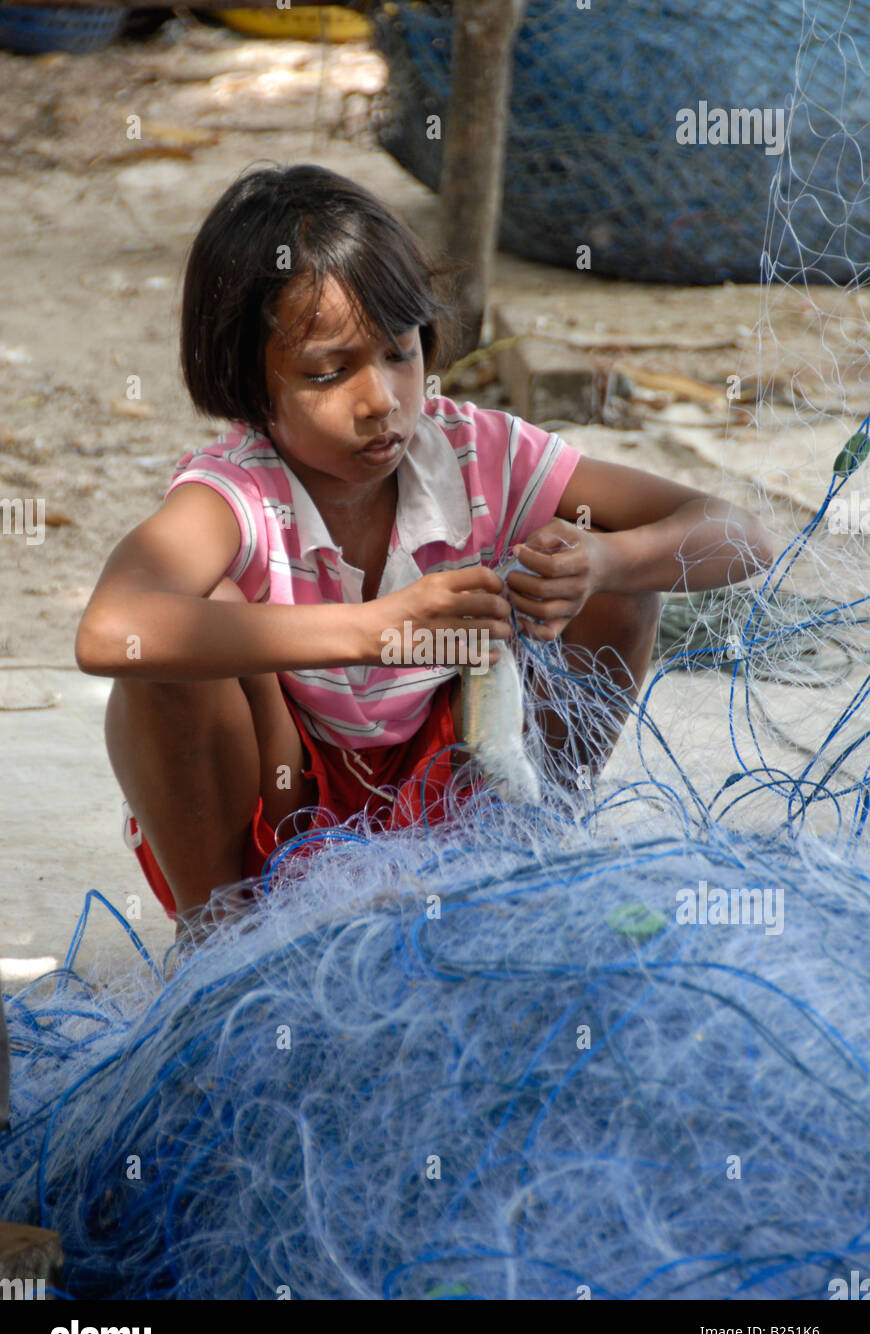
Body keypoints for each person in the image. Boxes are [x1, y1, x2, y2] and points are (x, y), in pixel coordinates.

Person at [74, 163, 774, 947]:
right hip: (277, 805)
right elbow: (111, 631)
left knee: (608, 562)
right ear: (249, 384)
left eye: (400, 354)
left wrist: (605, 566)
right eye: (328, 372)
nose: (381, 401)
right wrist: (373, 628)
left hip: (449, 795)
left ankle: (542, 847)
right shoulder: (236, 493)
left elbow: (739, 534)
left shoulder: (476, 454)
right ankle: (219, 946)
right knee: (183, 641)